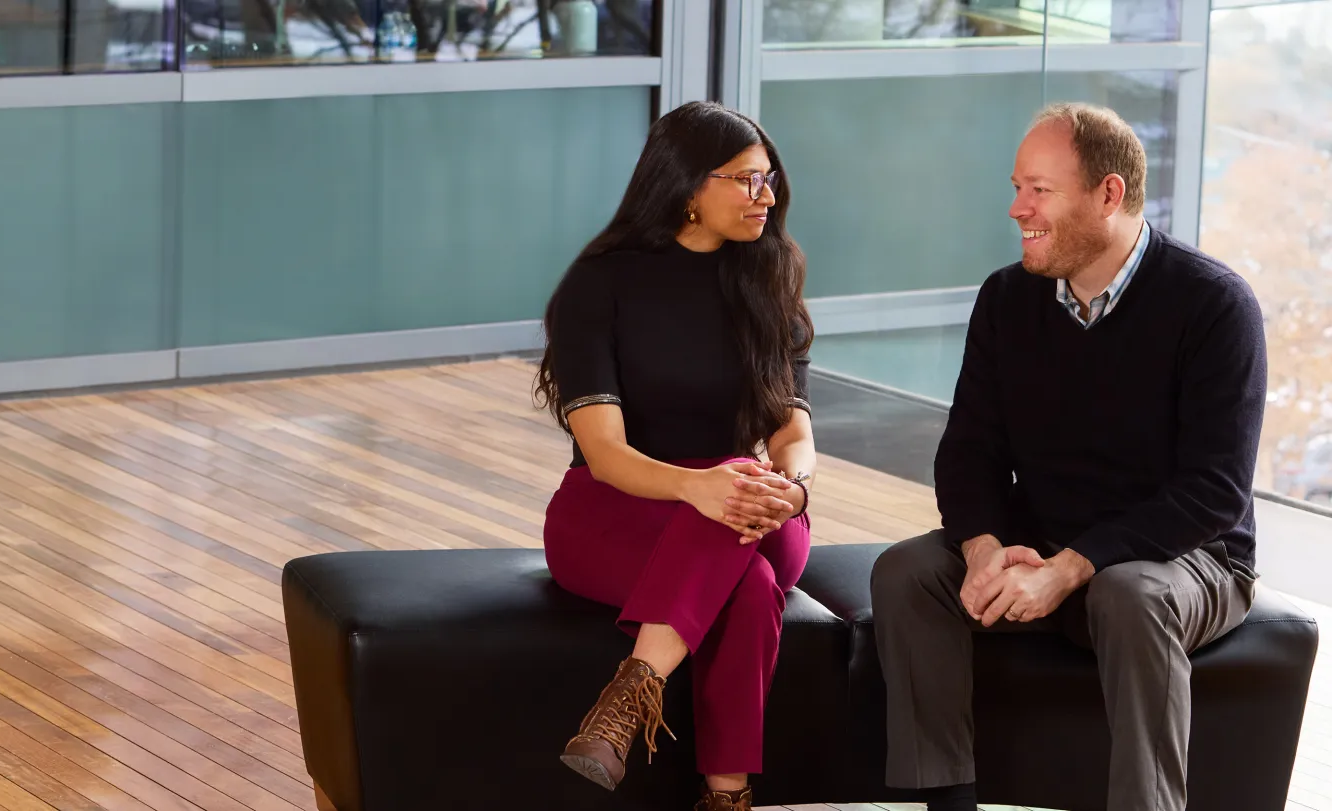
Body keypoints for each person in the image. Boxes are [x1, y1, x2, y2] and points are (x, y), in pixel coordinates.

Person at [870, 102, 1267, 811]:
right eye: (1017, 186)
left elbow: (1214, 492)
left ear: (1107, 194)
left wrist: (1071, 567)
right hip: (1043, 544)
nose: (1018, 208)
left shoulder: (1213, 306)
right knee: (908, 571)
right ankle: (948, 803)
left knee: (1129, 592)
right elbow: (969, 451)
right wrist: (987, 548)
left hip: (1188, 558)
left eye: (1039, 190)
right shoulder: (1005, 298)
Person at [534, 100, 817, 811]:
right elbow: (603, 452)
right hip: (614, 508)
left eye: (770, 178)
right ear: (689, 187)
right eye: (746, 180)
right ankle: (727, 796)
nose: (768, 196)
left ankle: (624, 703)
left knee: (740, 494)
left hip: (751, 505)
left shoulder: (767, 276)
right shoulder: (599, 285)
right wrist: (698, 488)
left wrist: (794, 486)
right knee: (748, 587)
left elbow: (792, 433)